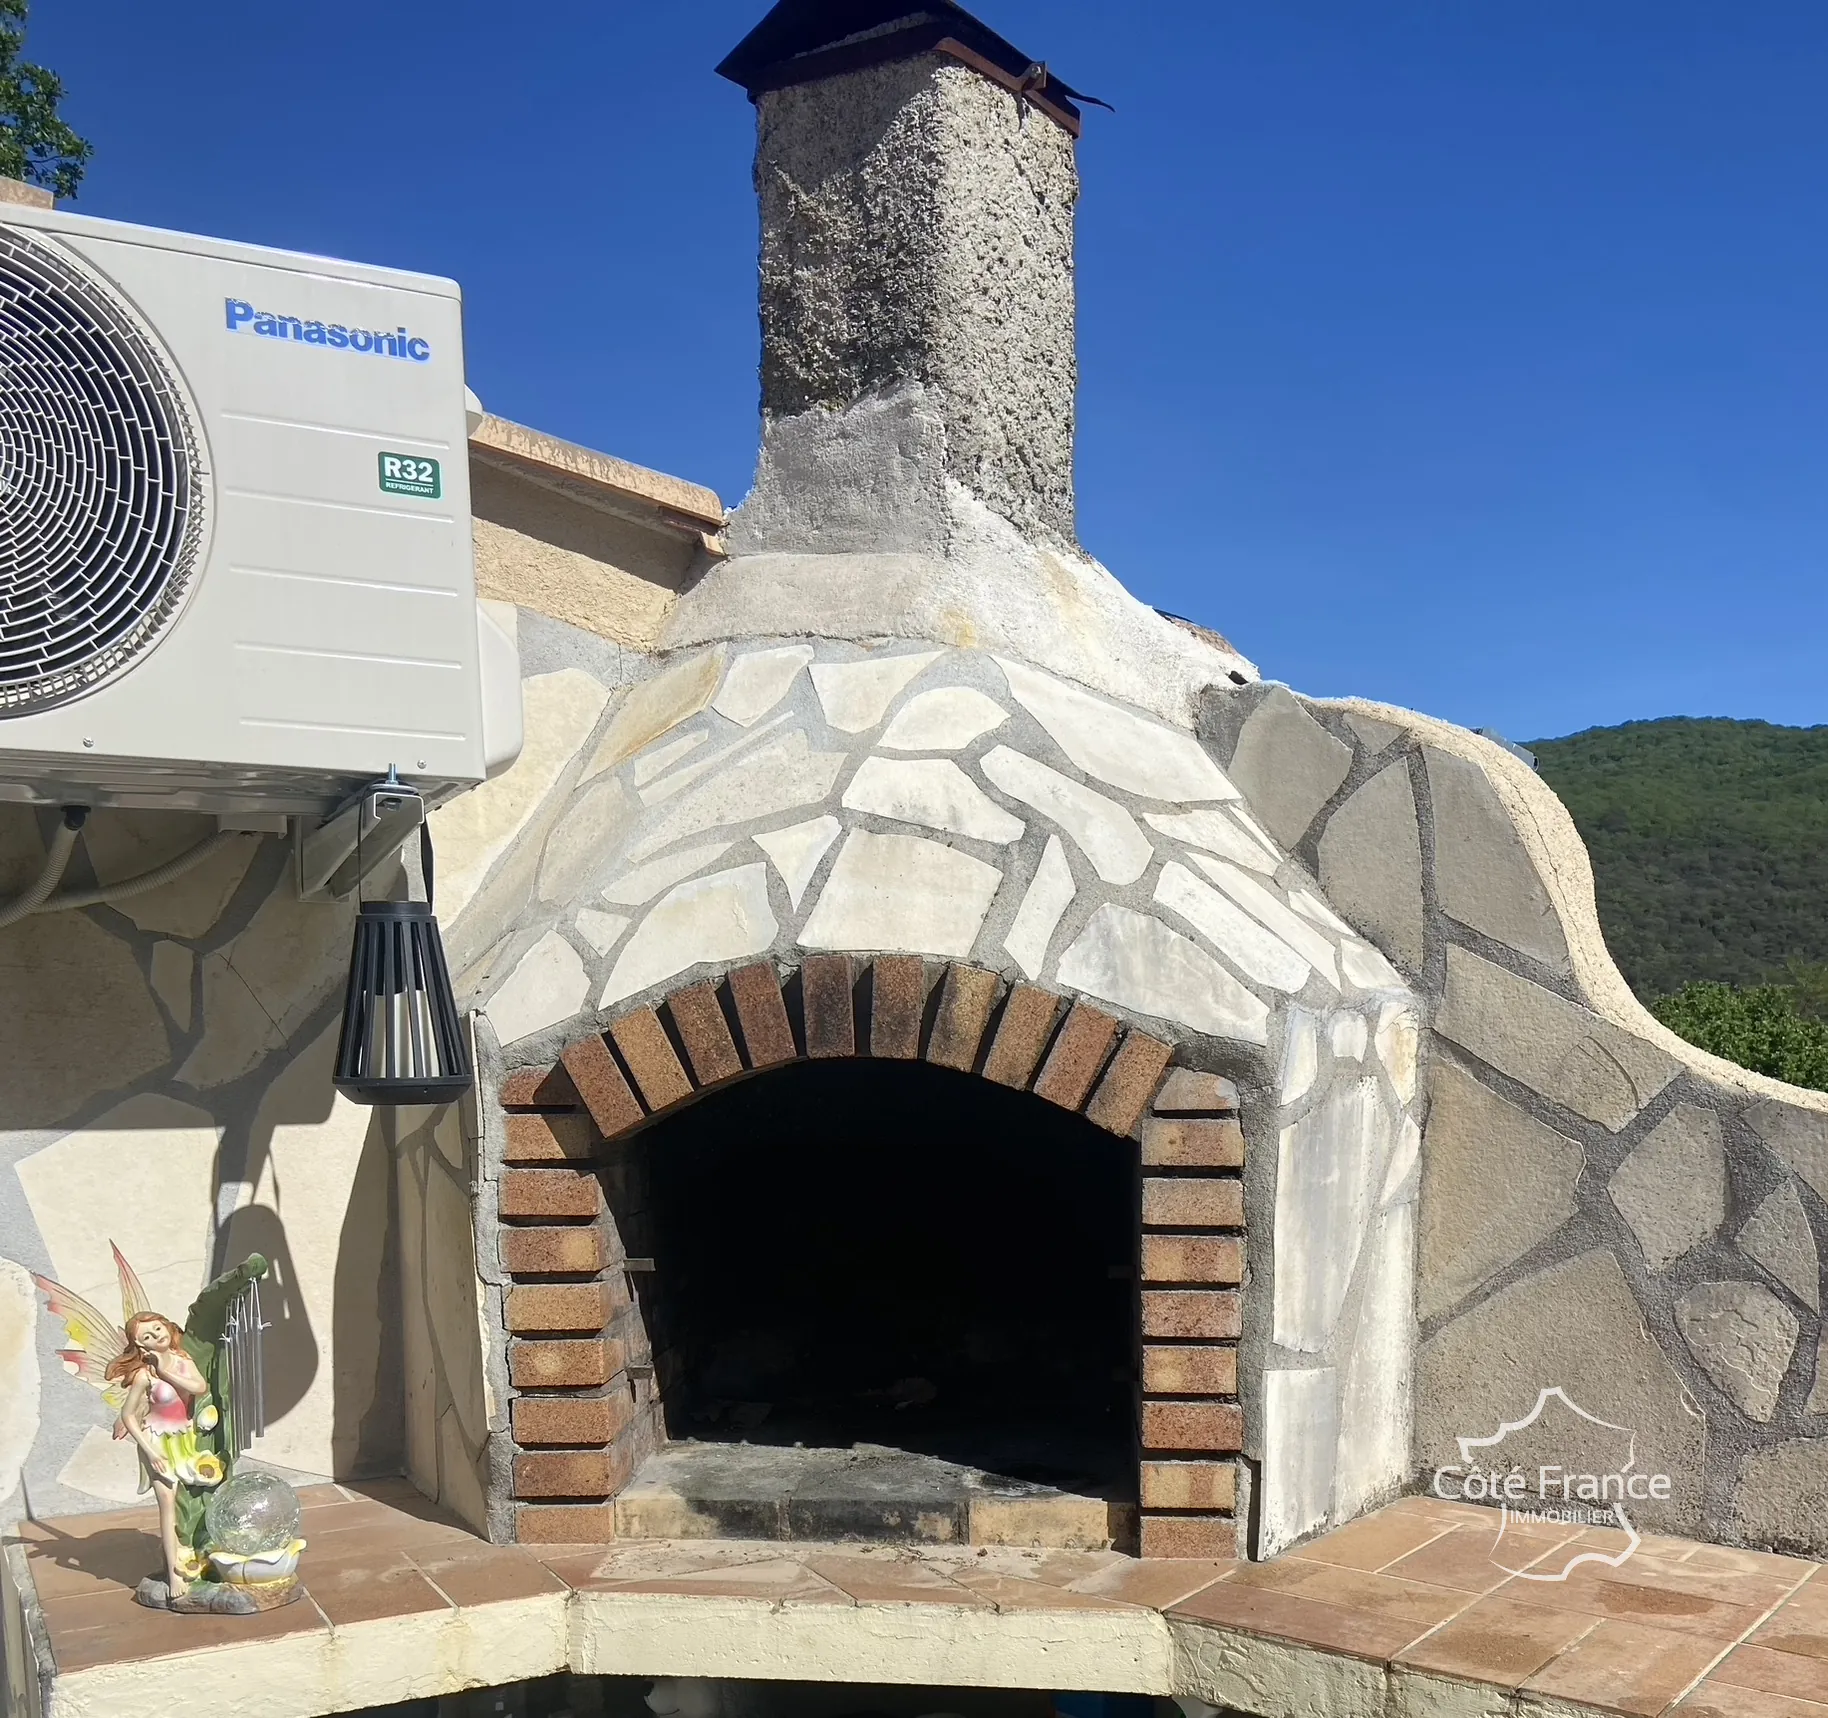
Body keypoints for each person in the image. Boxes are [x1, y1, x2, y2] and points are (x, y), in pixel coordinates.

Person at [108, 1312, 224, 1596]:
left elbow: (199, 1387)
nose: (156, 1335)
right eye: (146, 1336)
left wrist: (165, 1371)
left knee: (195, 1495)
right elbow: (129, 1415)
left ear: (167, 1327)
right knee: (167, 1503)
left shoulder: (183, 1362)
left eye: (157, 1328)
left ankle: (196, 1554)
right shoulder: (143, 1376)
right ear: (140, 1345)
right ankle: (174, 1574)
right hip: (156, 1441)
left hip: (184, 1438)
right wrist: (149, 1451)